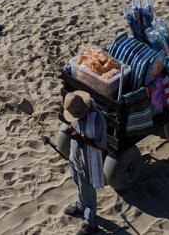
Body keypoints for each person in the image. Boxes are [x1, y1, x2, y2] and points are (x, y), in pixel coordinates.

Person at [60, 91, 107, 234]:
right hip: (75, 158)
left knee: (88, 192)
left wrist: (81, 138)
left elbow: (101, 146)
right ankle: (81, 207)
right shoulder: (77, 113)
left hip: (88, 162)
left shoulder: (97, 120)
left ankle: (91, 224)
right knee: (79, 185)